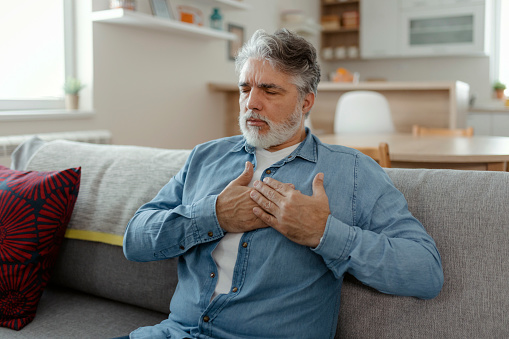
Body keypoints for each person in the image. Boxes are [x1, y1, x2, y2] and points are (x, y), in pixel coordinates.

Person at [123, 28, 443, 339]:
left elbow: (425, 272)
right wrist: (213, 216)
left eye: (270, 90)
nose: (251, 103)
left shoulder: (353, 171)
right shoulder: (204, 157)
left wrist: (323, 233)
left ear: (306, 103)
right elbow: (134, 241)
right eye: (245, 89)